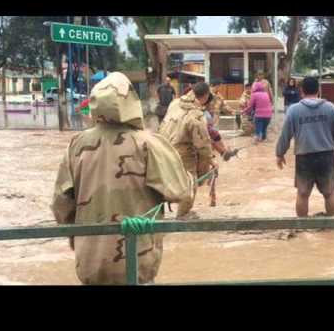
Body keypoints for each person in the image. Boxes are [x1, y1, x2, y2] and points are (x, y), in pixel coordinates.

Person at [50, 72, 194, 285]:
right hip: (137, 260)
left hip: (90, 262)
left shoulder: (76, 145)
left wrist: (77, 237)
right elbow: (182, 192)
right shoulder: (149, 144)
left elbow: (60, 204)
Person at [275, 77, 334, 218]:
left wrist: (280, 153)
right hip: (326, 157)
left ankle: (302, 228)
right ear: (318, 90)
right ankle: (332, 226)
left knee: (302, 194)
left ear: (301, 91)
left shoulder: (293, 110)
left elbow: (285, 134)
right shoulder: (330, 108)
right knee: (329, 193)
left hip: (304, 157)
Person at [159, 82, 215, 219]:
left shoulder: (175, 103)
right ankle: (182, 216)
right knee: (190, 184)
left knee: (162, 183)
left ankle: (158, 216)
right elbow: (203, 148)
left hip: (162, 149)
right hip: (183, 152)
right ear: (206, 95)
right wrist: (204, 171)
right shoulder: (196, 115)